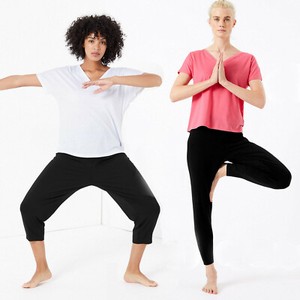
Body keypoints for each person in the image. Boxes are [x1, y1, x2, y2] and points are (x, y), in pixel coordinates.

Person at [0, 15, 161, 288]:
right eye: (91, 40)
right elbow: (16, 80)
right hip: (69, 160)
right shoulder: (63, 75)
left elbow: (155, 79)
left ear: (110, 44)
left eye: (102, 41)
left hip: (111, 159)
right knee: (30, 208)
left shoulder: (120, 76)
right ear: (81, 42)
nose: (96, 46)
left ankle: (133, 270)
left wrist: (116, 80)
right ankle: (42, 269)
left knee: (149, 208)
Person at [170, 0, 291, 295]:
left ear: (234, 23)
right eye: (216, 18)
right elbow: (175, 94)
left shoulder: (248, 59)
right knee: (202, 208)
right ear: (209, 23)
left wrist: (225, 82)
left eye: (226, 18)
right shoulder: (195, 57)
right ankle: (210, 272)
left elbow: (259, 100)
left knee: (282, 177)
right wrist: (210, 80)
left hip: (233, 139)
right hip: (201, 138)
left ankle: (224, 171)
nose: (221, 23)